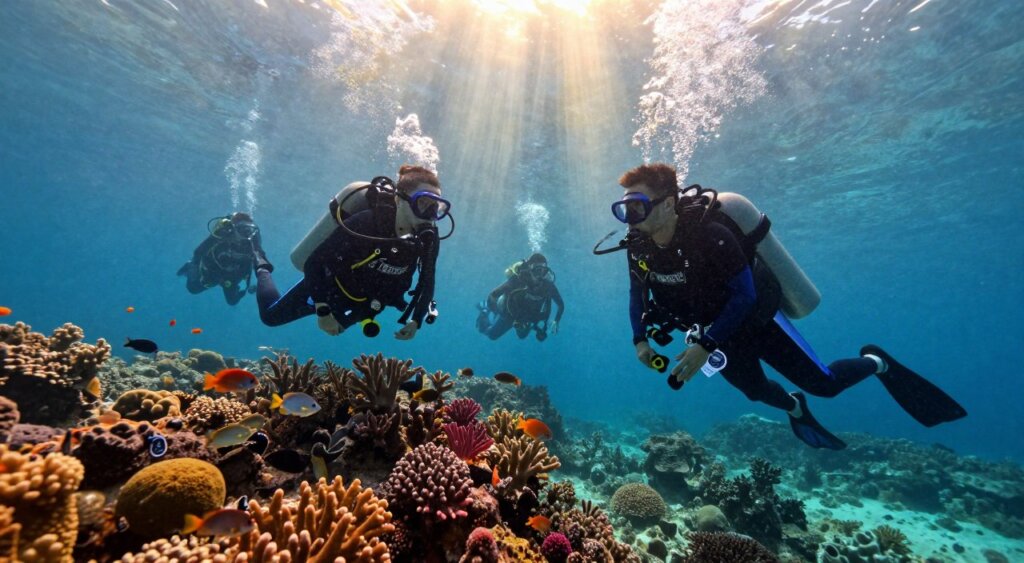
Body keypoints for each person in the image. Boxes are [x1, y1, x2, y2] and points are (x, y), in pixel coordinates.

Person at [610, 163, 965, 450]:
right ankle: (795, 406)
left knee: (824, 385)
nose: (630, 217)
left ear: (668, 204)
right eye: (624, 208)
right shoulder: (638, 247)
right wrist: (639, 340)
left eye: (637, 206)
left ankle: (877, 361)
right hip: (716, 335)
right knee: (756, 391)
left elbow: (745, 295)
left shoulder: (711, 234)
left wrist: (705, 346)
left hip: (758, 321)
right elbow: (635, 293)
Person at [253, 165, 449, 340]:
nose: (430, 216)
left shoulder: (428, 239)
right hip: (327, 288)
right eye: (423, 203)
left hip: (366, 303)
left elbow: (428, 279)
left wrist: (416, 321)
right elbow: (314, 262)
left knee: (337, 331)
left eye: (437, 207)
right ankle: (262, 267)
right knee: (270, 317)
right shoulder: (366, 222)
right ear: (400, 199)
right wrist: (323, 311)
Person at [177, 212, 264, 305]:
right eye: (241, 229)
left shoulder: (253, 239)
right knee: (193, 288)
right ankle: (189, 266)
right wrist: (194, 265)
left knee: (232, 301)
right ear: (233, 228)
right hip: (215, 267)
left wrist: (255, 283)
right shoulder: (223, 233)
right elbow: (199, 251)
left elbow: (260, 259)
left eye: (248, 229)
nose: (245, 234)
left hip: (236, 270)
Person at [476, 253, 565, 341]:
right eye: (537, 270)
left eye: (543, 270)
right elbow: (493, 295)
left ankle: (495, 312)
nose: (539, 275)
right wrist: (499, 311)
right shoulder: (518, 280)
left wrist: (556, 321)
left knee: (522, 336)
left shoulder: (548, 285)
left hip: (527, 317)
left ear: (546, 271)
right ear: (530, 269)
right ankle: (485, 310)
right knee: (492, 335)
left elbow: (561, 304)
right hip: (509, 313)